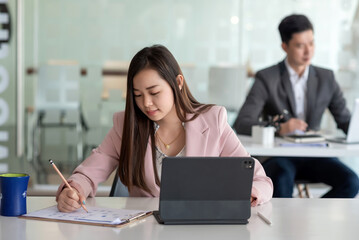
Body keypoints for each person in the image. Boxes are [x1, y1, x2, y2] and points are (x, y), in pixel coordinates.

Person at [56, 45, 273, 212]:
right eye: (138, 95)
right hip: (146, 230)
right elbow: (89, 173)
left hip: (200, 228)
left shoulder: (213, 121)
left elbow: (260, 180)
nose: (146, 103)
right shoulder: (126, 125)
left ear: (178, 82)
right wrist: (74, 189)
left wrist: (250, 194)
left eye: (154, 92)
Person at [233, 14, 359, 198]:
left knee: (351, 182)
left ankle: (311, 221)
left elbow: (345, 120)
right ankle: (285, 226)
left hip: (314, 156)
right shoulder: (267, 78)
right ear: (285, 46)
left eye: (311, 43)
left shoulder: (327, 78)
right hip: (278, 157)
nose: (308, 51)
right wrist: (279, 127)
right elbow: (242, 122)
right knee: (282, 177)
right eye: (300, 45)